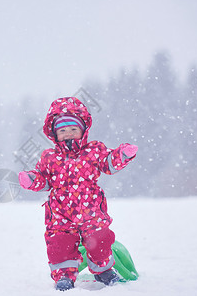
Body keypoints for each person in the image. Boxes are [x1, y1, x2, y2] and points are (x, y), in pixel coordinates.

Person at [18, 97, 138, 291]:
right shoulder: (50, 157)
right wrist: (32, 180)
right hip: (60, 215)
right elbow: (44, 180)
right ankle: (64, 276)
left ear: (83, 130)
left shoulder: (93, 150)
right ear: (55, 134)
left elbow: (108, 163)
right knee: (59, 245)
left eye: (73, 129)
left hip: (91, 210)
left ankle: (104, 270)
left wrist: (121, 155)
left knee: (100, 239)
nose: (68, 134)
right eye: (63, 131)